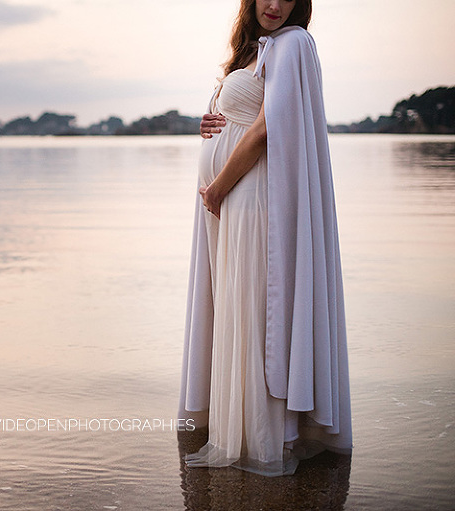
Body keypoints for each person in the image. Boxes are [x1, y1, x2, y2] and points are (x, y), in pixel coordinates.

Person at [178, 0, 352, 476]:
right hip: (232, 199)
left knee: (255, 310)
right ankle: (240, 421)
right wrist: (212, 121)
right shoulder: (256, 50)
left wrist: (217, 187)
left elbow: (267, 128)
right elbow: (242, 118)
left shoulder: (294, 43)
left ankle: (267, 434)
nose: (275, 4)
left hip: (249, 196)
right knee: (237, 307)